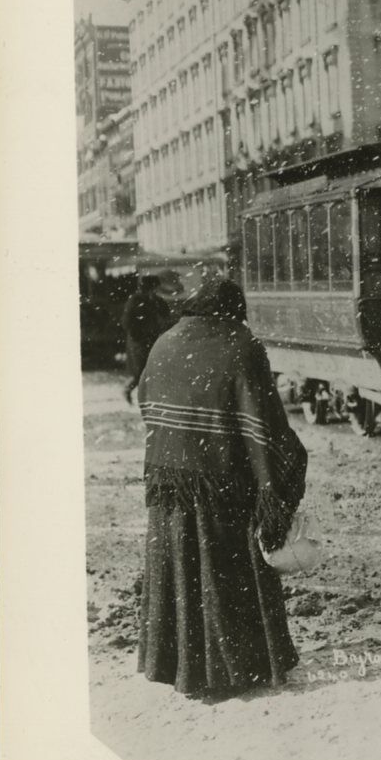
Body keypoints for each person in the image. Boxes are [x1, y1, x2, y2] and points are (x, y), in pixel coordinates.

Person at [135, 278, 308, 700]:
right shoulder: (242, 345)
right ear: (234, 309)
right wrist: (285, 469)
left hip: (170, 484)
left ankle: (179, 667)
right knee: (226, 576)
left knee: (179, 574)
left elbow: (146, 399)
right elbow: (265, 424)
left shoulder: (165, 341)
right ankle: (237, 669)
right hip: (224, 486)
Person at [121, 275, 174, 404]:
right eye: (154, 287)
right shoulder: (135, 300)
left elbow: (166, 314)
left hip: (152, 339)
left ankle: (147, 397)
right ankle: (134, 393)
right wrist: (138, 335)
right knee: (141, 370)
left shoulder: (156, 300)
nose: (155, 290)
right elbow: (127, 322)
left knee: (151, 368)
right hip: (139, 340)